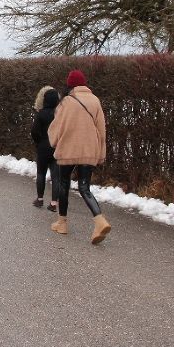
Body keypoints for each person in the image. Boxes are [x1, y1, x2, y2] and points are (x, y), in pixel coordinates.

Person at [47, 69, 111, 244]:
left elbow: (56, 127)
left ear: (70, 85)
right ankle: (99, 221)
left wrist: (53, 142)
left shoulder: (66, 102)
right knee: (84, 188)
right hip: (90, 149)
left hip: (68, 149)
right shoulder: (95, 100)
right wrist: (101, 153)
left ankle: (62, 223)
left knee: (63, 184)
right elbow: (102, 130)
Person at [31, 86, 61, 211]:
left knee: (41, 173)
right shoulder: (60, 114)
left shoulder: (41, 114)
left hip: (43, 147)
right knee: (56, 176)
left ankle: (40, 199)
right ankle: (54, 203)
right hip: (56, 147)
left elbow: (34, 131)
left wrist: (38, 143)